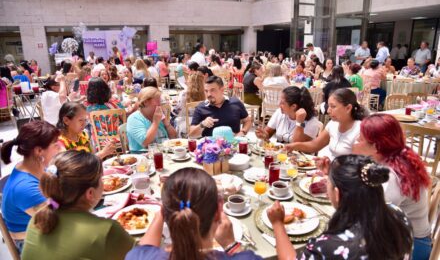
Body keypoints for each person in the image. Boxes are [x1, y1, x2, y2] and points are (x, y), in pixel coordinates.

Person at [267, 155, 413, 260]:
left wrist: (278, 223)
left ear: (337, 194)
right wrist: (333, 177)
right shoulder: (399, 215)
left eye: (328, 185)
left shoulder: (332, 246)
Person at [125, 167, 263, 260]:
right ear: (218, 211)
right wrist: (231, 245)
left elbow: (144, 249)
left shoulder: (137, 256)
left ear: (165, 212)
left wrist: (162, 210)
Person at [21, 151, 135, 259]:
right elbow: (144, 255)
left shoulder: (38, 219)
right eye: (101, 178)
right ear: (90, 193)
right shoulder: (106, 230)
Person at [352, 114, 431, 260]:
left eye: (361, 138)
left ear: (376, 147)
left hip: (412, 246)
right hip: (411, 235)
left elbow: (372, 223)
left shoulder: (390, 177)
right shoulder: (399, 155)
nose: (356, 139)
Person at [1, 121, 61, 252]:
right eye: (55, 144)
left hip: (41, 229)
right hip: (32, 244)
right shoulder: (25, 188)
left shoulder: (29, 167)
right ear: (39, 151)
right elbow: (57, 217)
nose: (59, 147)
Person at [285, 88, 367, 160]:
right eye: (328, 106)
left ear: (348, 108)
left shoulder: (360, 130)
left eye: (333, 106)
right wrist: (295, 146)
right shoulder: (332, 124)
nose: (328, 111)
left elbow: (356, 163)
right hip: (331, 171)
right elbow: (315, 145)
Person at [256, 86, 320, 143]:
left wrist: (299, 122)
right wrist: (264, 135)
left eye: (282, 103)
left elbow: (298, 145)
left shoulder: (312, 122)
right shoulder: (280, 113)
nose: (279, 105)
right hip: (281, 154)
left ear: (293, 106)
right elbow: (268, 133)